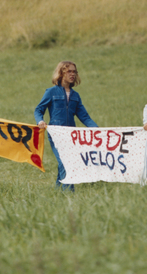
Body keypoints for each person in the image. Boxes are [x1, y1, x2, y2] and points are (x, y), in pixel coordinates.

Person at [35, 61, 99, 191]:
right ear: (61, 73)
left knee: (65, 163)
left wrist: (97, 130)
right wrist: (40, 121)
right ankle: (69, 194)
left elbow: (85, 117)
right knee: (66, 162)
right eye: (69, 71)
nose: (72, 74)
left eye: (74, 72)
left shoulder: (76, 96)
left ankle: (59, 192)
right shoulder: (51, 92)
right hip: (56, 134)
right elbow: (38, 110)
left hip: (72, 136)